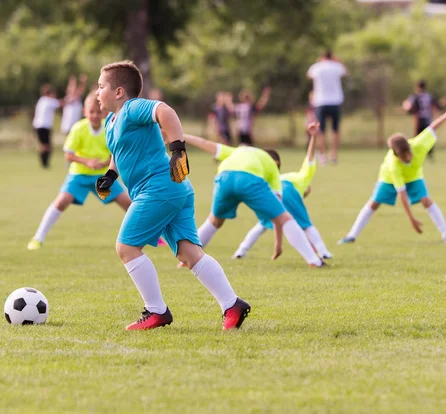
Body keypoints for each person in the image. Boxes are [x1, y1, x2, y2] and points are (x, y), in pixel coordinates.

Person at [95, 60, 250, 331]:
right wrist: (110, 176)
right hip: (172, 190)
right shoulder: (111, 121)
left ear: (119, 91)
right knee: (189, 254)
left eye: (100, 86)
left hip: (159, 188)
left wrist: (178, 149)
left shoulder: (133, 107)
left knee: (127, 248)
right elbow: (119, 154)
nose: (97, 92)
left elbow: (164, 111)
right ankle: (232, 304)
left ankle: (156, 311)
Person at [181, 133, 326, 267]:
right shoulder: (272, 168)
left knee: (214, 221)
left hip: (224, 178)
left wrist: (179, 135)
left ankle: (187, 259)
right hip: (249, 179)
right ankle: (314, 261)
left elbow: (205, 143)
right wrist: (278, 245)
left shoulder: (238, 151)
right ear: (276, 163)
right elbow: (278, 216)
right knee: (285, 218)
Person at [338, 106, 446, 245]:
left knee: (426, 200)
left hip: (414, 175)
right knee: (374, 203)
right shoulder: (393, 165)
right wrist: (411, 219)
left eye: (408, 155)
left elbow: (432, 127)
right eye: (404, 158)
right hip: (388, 178)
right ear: (397, 156)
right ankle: (351, 235)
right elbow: (402, 194)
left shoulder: (418, 144)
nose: (408, 158)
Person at [27, 93, 130, 251]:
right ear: (84, 111)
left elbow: (115, 153)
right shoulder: (78, 128)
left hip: (104, 176)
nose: (95, 115)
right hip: (78, 175)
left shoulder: (110, 128)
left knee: (129, 204)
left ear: (104, 112)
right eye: (91, 112)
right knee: (61, 202)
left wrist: (104, 163)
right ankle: (37, 238)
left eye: (98, 112)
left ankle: (156, 237)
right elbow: (68, 155)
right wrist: (87, 162)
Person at [232, 122, 333, 260]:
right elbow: (309, 159)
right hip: (290, 192)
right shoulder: (299, 178)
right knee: (306, 225)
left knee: (262, 225)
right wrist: (313, 137)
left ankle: (240, 252)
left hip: (272, 194)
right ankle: (323, 252)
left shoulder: (271, 179)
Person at [307, 49, 347, 165]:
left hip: (320, 101)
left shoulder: (317, 67)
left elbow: (309, 75)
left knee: (320, 130)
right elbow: (345, 72)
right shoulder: (337, 66)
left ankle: (323, 155)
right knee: (335, 130)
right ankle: (334, 155)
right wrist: (338, 61)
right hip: (335, 101)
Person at [402, 80, 443, 159]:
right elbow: (435, 105)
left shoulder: (415, 96)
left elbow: (410, 107)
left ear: (417, 87)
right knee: (428, 135)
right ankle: (429, 152)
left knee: (417, 136)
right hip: (427, 118)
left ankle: (415, 153)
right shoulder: (429, 96)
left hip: (419, 119)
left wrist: (405, 105)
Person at [32, 84, 62, 168]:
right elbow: (61, 104)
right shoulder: (49, 101)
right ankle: (44, 163)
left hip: (38, 125)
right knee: (46, 146)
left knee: (44, 145)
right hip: (44, 126)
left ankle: (44, 163)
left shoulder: (41, 100)